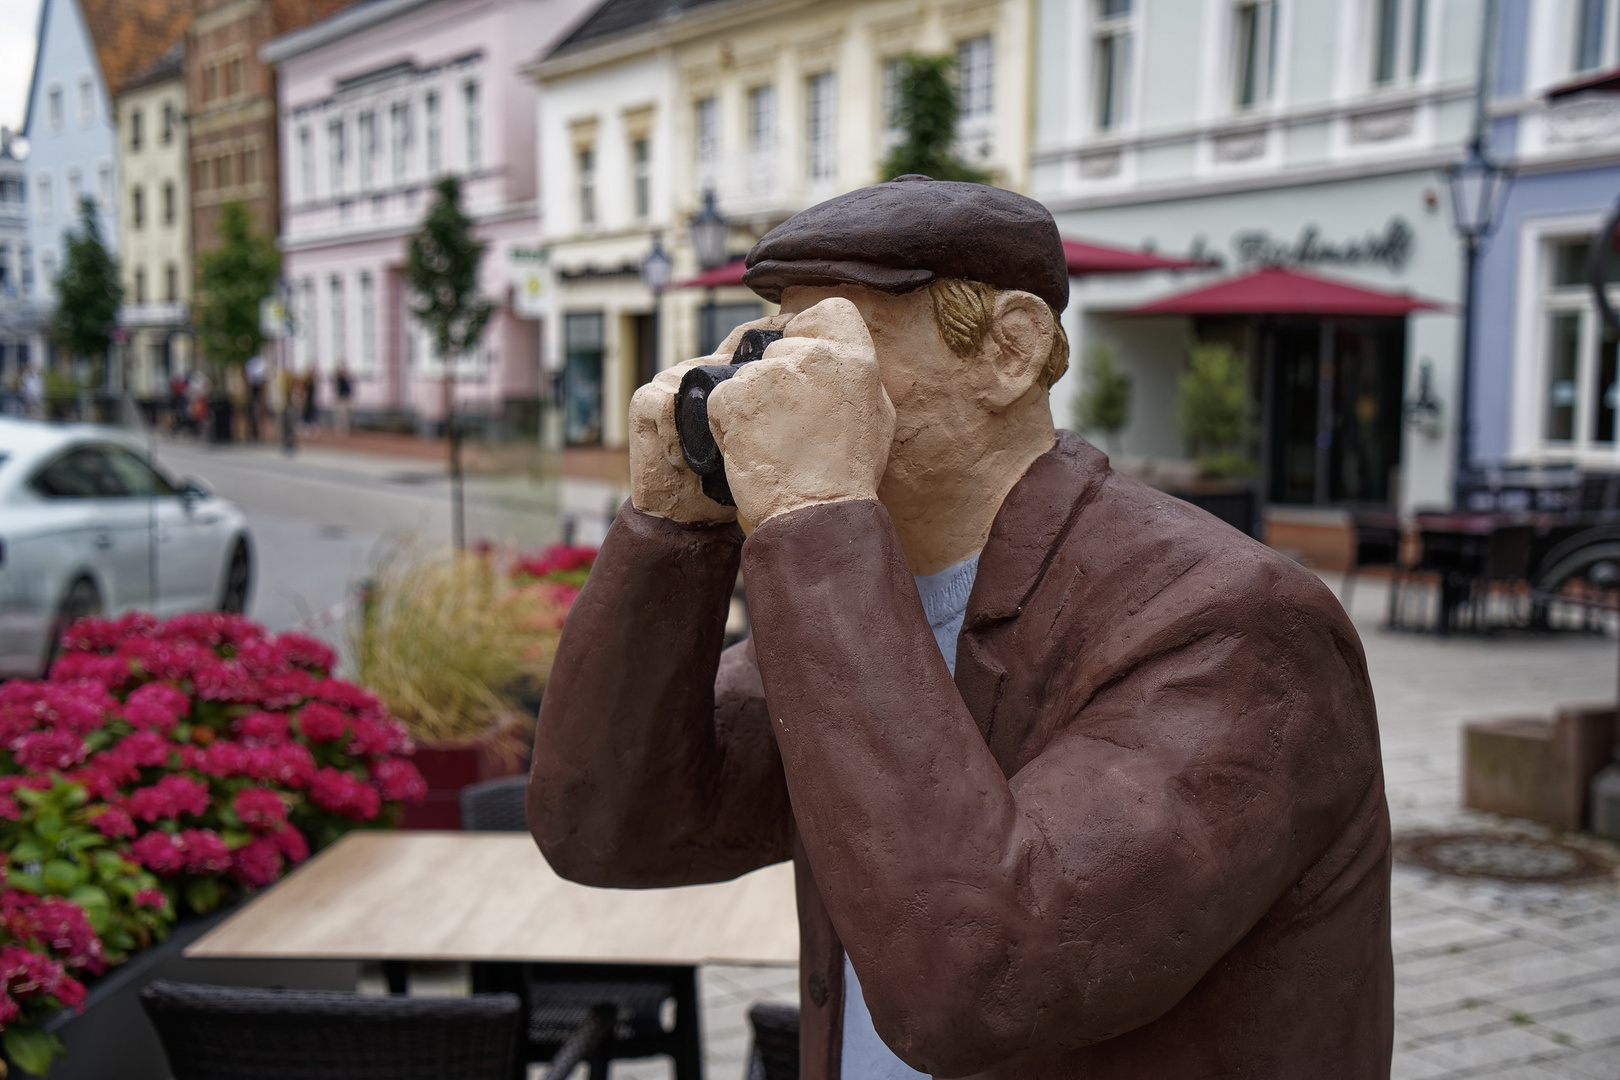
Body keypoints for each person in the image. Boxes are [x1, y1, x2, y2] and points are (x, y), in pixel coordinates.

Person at [528, 178, 1393, 1079]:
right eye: (775, 349)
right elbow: (608, 828)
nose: (774, 388)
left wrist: (817, 518)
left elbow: (979, 981)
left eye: (837, 347)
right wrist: (671, 530)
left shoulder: (1233, 624)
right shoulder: (868, 599)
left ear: (1011, 351)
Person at [245, 353, 268, 441]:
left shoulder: (259, 362)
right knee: (255, 413)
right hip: (255, 390)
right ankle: (255, 433)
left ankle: (260, 434)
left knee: (259, 413)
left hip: (257, 390)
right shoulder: (254, 363)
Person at [333, 364, 353, 438]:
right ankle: (340, 429)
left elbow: (349, 390)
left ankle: (345, 429)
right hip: (340, 399)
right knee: (339, 415)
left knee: (344, 416)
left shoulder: (345, 380)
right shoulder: (338, 380)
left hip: (343, 399)